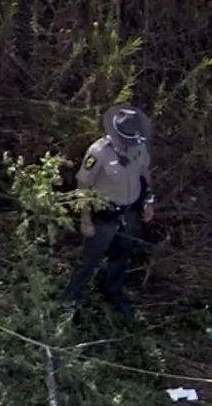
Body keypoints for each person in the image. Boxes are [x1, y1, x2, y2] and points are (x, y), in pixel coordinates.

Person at [62, 103, 156, 317]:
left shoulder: (139, 147)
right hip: (104, 215)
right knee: (89, 260)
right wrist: (85, 219)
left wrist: (149, 201)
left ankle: (112, 291)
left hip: (129, 212)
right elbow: (83, 185)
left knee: (122, 255)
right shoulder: (99, 152)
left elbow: (145, 174)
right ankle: (70, 300)